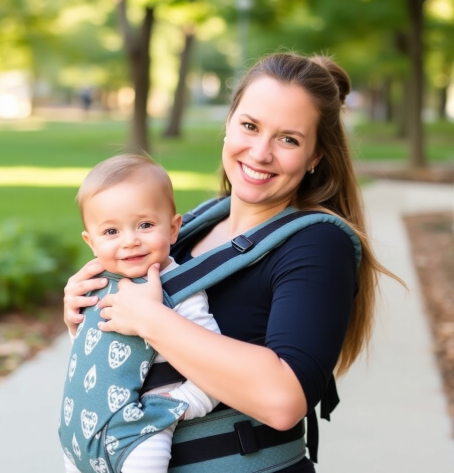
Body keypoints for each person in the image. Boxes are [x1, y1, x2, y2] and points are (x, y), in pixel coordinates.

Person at [64, 52, 402, 472]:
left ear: (316, 156)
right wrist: (92, 310)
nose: (260, 152)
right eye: (250, 126)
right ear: (228, 125)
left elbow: (283, 400)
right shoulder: (193, 224)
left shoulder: (317, 243)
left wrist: (150, 319)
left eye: (289, 139)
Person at [59, 154, 220, 473]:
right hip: (77, 433)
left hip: (137, 436)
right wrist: (73, 324)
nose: (130, 241)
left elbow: (214, 370)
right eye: (111, 232)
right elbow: (89, 348)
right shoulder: (95, 280)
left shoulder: (180, 289)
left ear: (173, 229)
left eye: (145, 225)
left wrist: (174, 408)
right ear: (91, 242)